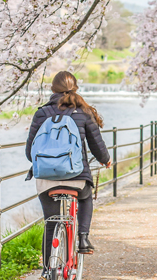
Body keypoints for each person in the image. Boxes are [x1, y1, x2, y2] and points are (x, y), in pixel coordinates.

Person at [26, 71, 111, 270]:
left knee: (51, 222)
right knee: (86, 197)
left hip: (46, 180)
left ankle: (48, 270)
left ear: (52, 89)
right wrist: (105, 160)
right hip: (76, 177)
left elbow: (30, 152)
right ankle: (83, 239)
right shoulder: (83, 112)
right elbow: (97, 146)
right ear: (75, 88)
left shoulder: (41, 113)